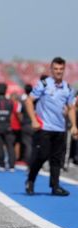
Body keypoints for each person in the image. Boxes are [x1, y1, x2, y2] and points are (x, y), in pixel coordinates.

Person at [25, 57, 77, 196]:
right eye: (56, 69)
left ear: (64, 70)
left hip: (60, 129)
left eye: (61, 69)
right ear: (51, 70)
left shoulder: (68, 88)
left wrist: (74, 126)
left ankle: (55, 187)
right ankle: (30, 180)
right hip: (45, 128)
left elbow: (71, 107)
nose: (58, 72)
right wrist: (33, 120)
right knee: (42, 155)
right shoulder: (44, 84)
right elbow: (29, 101)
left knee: (56, 159)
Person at [0, 83, 15, 171]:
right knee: (10, 146)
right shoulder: (10, 102)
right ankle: (11, 166)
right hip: (7, 126)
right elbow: (12, 114)